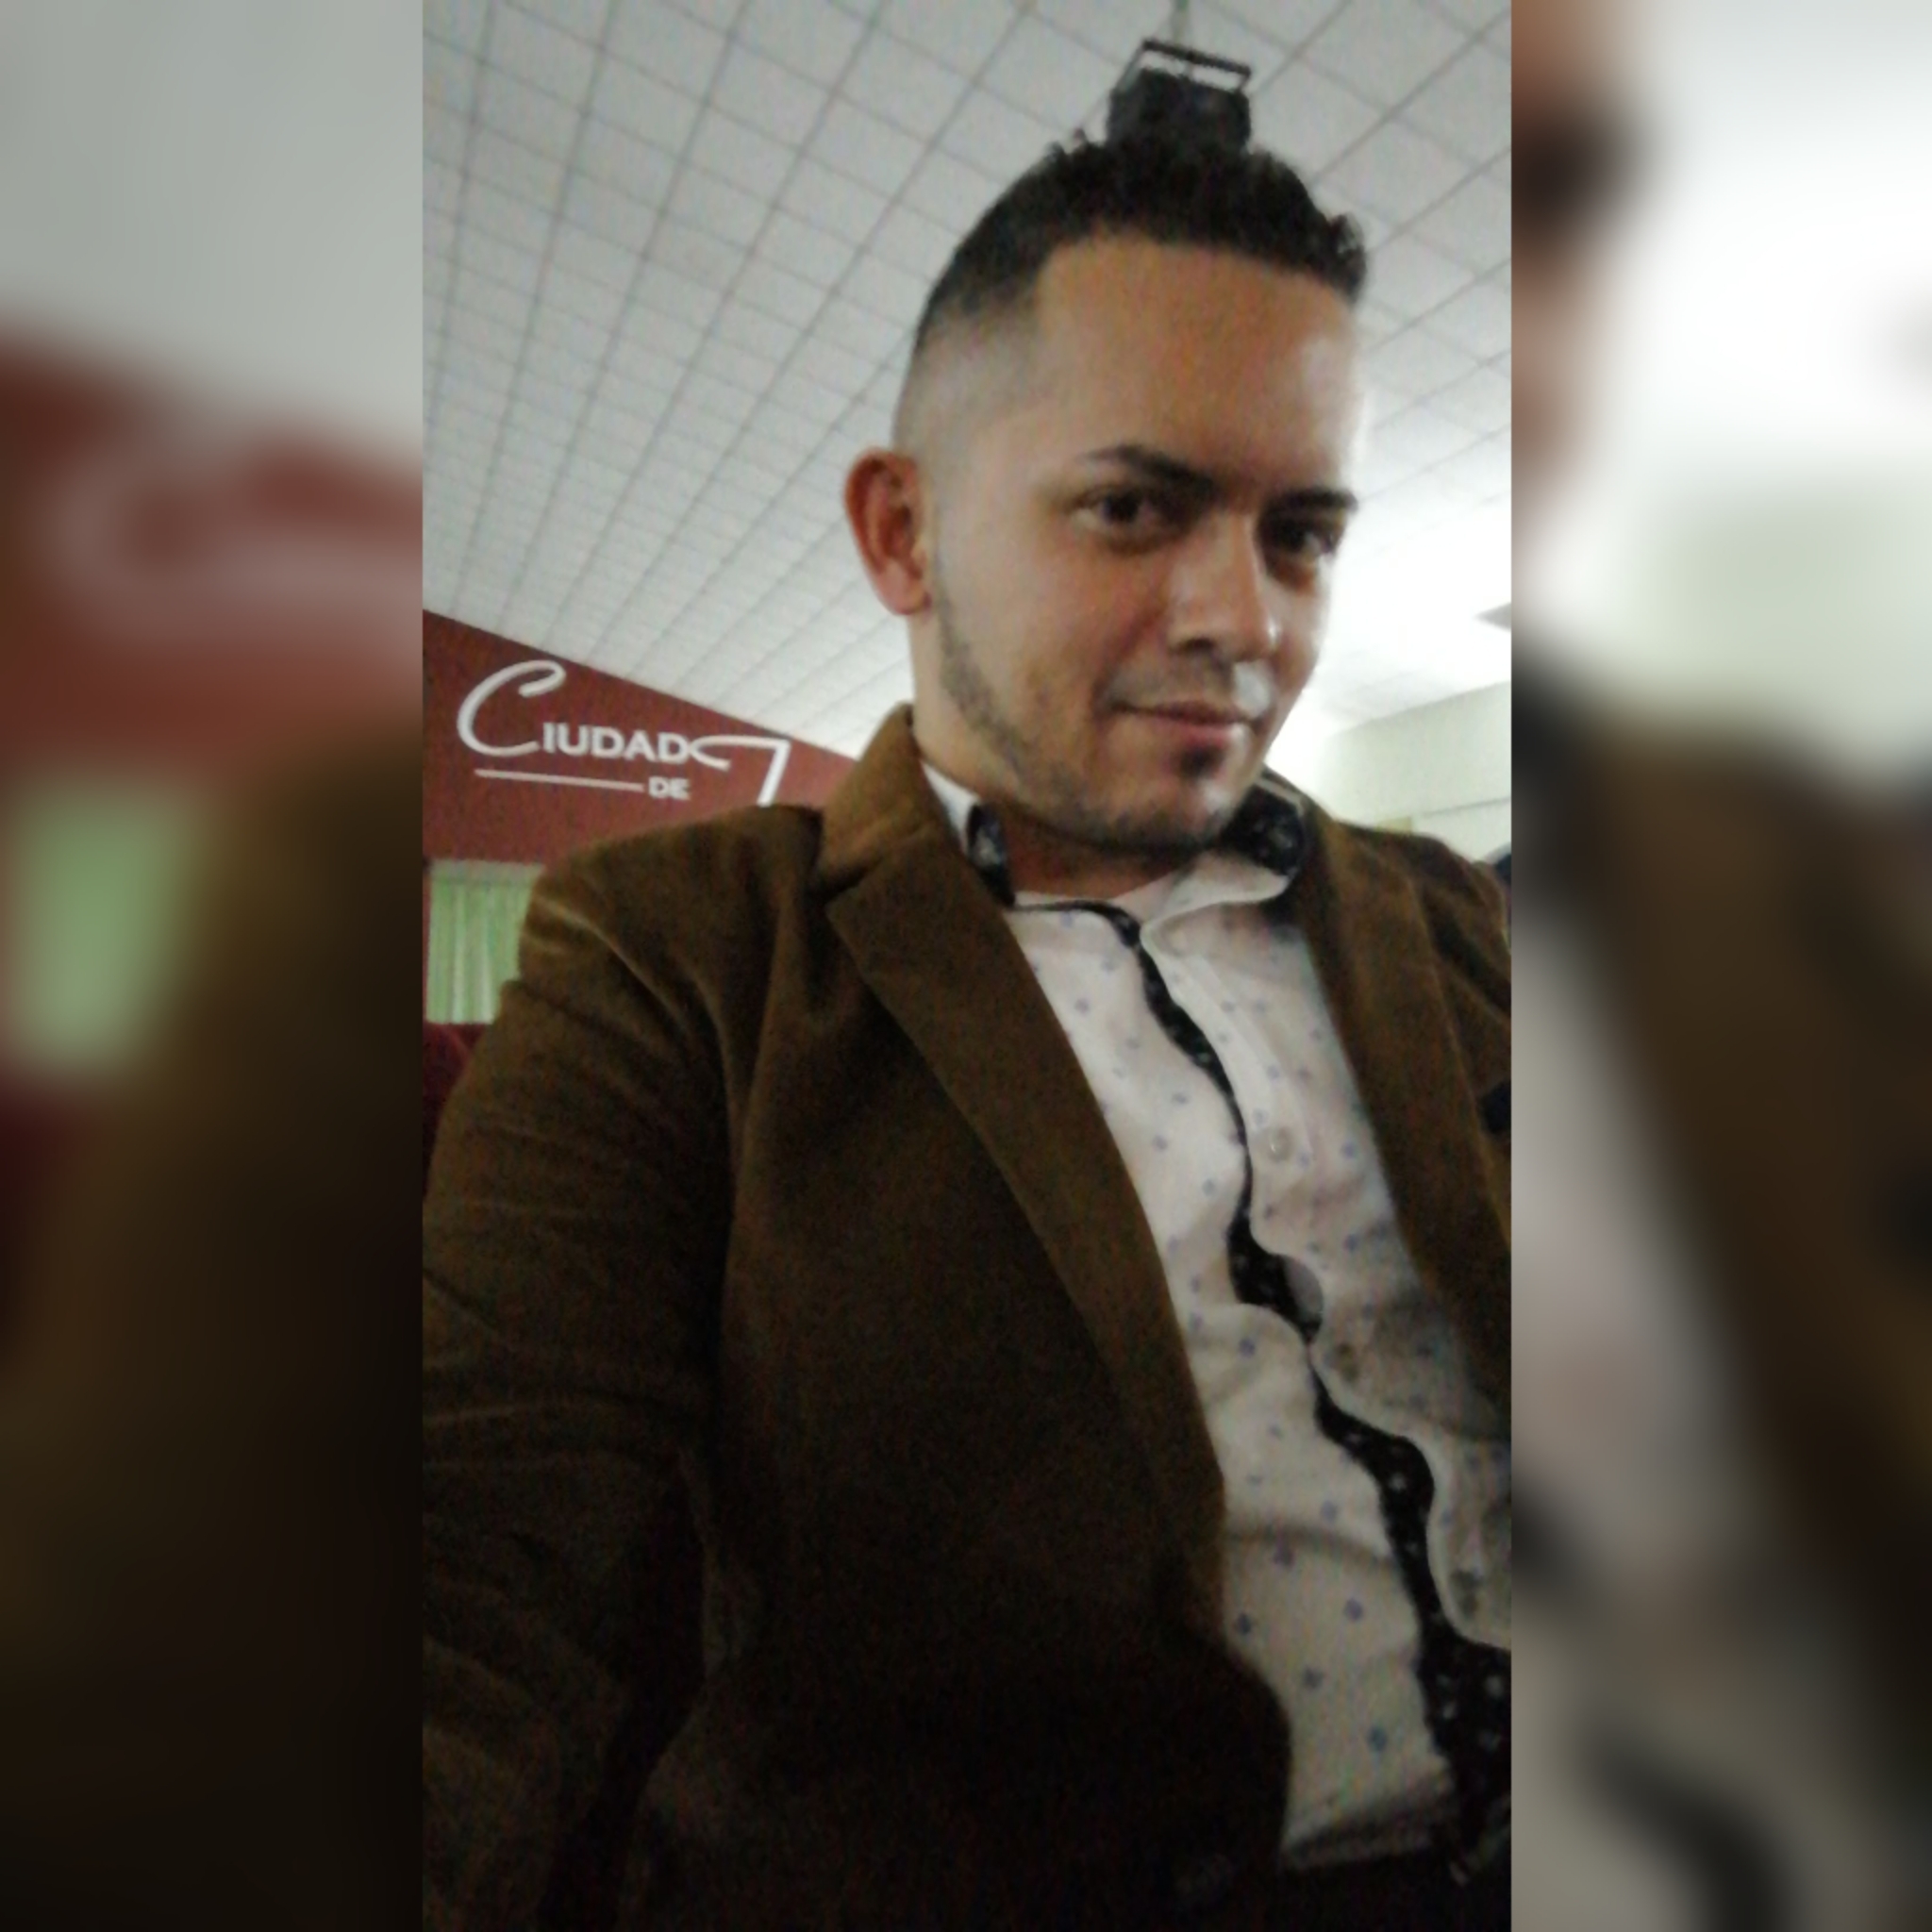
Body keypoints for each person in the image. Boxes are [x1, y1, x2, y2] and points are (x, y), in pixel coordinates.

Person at [425, 132, 1510, 1932]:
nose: (1246, 619)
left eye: (1302, 535)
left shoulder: (1455, 920)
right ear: (903, 532)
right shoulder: (682, 954)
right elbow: (477, 1546)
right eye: (1135, 509)